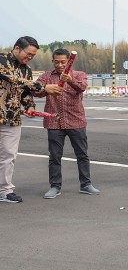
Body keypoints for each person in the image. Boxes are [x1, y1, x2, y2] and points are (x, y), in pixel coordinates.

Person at [0, 36, 62, 203]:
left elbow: (25, 91)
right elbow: (13, 80)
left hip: (11, 118)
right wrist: (43, 88)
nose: (30, 57)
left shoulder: (26, 69)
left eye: (33, 55)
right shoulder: (1, 61)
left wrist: (29, 106)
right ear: (17, 48)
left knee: (8, 155)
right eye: (28, 54)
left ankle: (4, 191)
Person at [34, 48, 100, 199]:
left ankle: (86, 184)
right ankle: (55, 186)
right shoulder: (46, 76)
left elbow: (82, 87)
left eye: (63, 62)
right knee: (54, 157)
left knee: (82, 154)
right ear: (52, 62)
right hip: (54, 122)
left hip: (76, 121)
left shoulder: (79, 75)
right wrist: (46, 89)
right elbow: (35, 91)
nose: (59, 65)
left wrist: (70, 80)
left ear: (69, 61)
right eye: (56, 62)